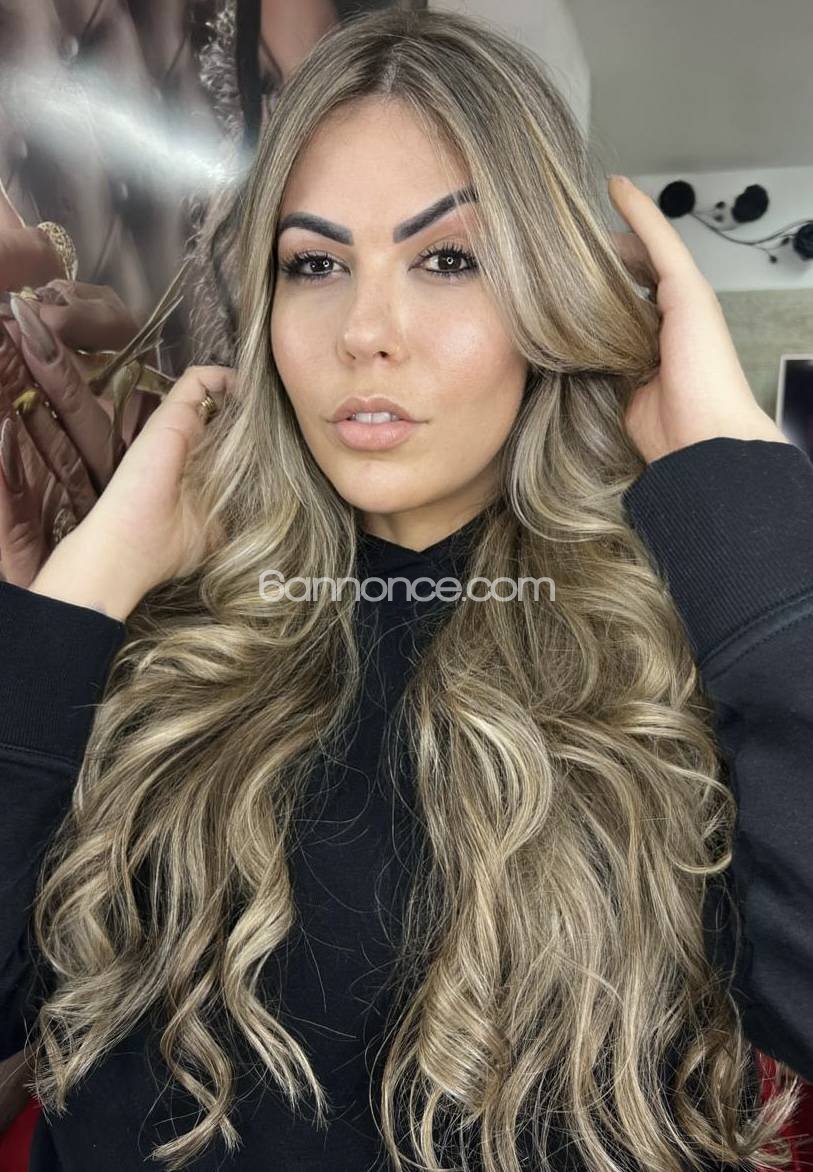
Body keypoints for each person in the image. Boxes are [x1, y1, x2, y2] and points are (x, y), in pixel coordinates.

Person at [0, 7, 811, 1171]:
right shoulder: (163, 646)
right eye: (315, 264)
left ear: (547, 294)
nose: (366, 332)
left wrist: (731, 467)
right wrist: (89, 584)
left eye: (448, 259)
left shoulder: (676, 656)